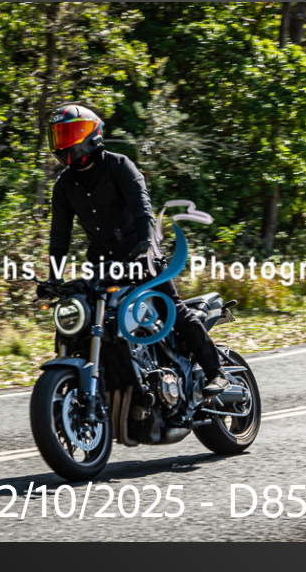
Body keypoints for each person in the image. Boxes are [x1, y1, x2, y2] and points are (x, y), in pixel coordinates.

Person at [38, 104, 230, 397]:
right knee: (78, 318)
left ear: (91, 133)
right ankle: (76, 387)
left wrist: (145, 249)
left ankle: (217, 371)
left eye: (70, 133)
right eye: (58, 136)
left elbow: (142, 210)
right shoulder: (64, 185)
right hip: (102, 265)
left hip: (140, 253)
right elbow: (59, 236)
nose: (63, 142)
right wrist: (54, 277)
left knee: (172, 309)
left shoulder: (119, 165)